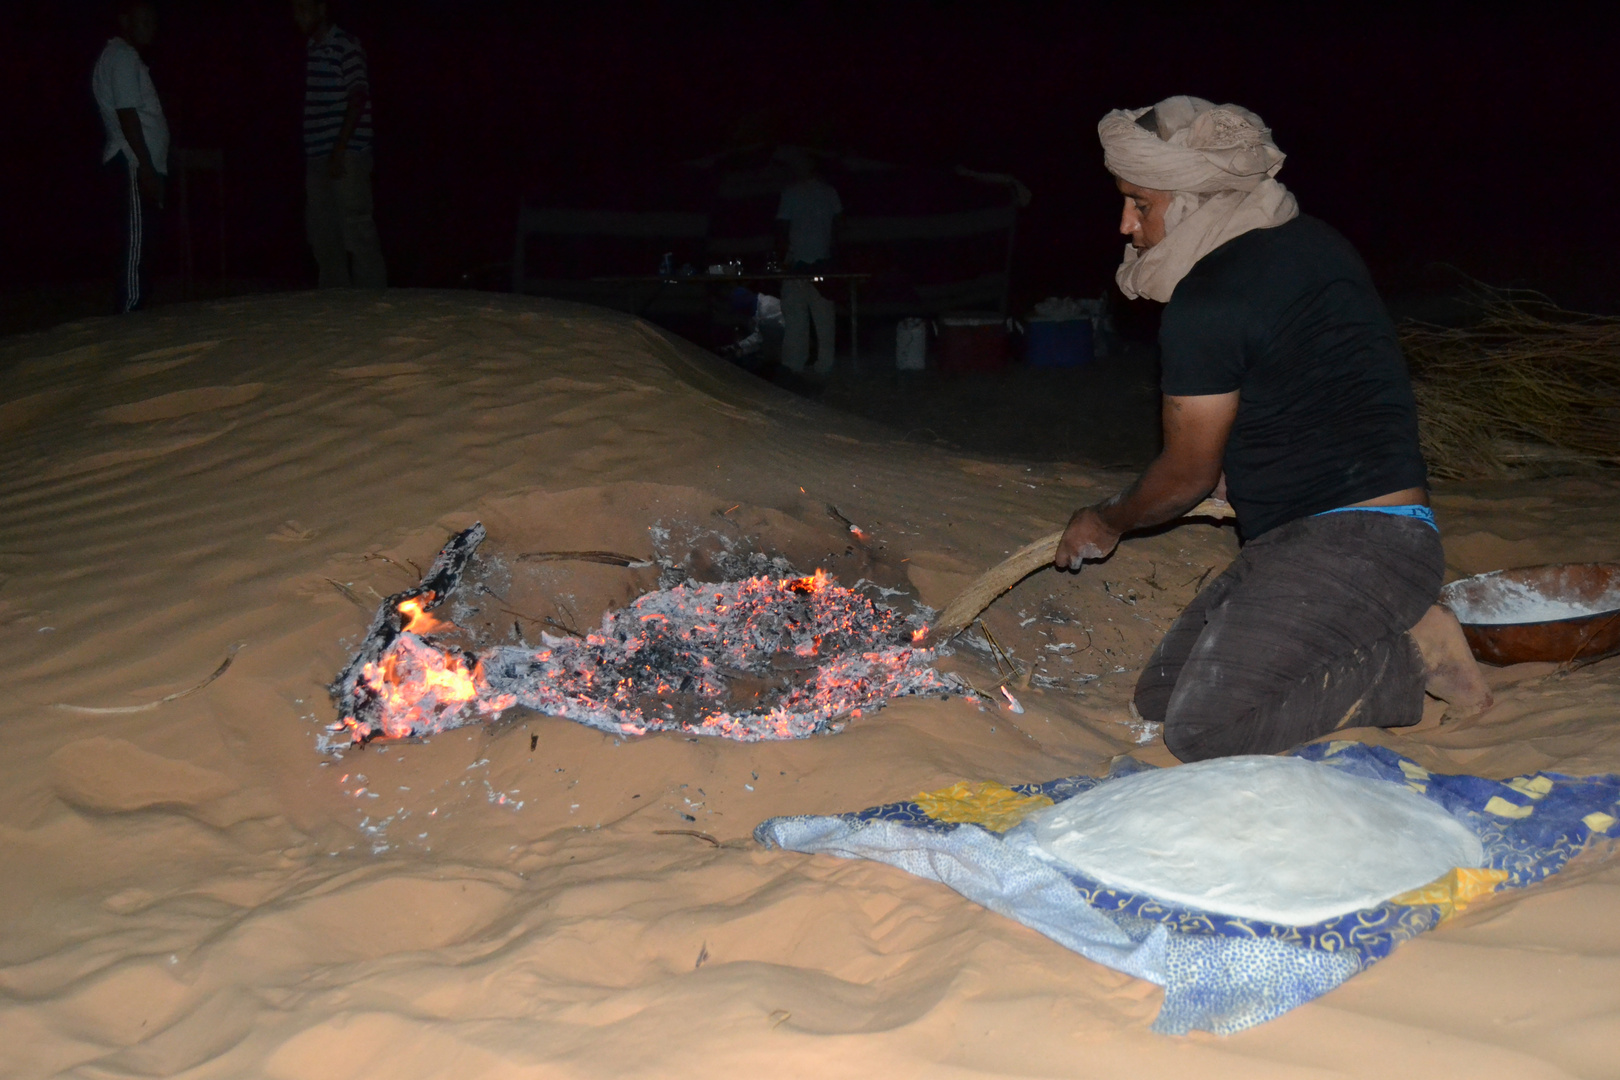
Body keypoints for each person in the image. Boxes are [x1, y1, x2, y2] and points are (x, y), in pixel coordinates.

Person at [1054, 96, 1491, 763]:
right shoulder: (1312, 241)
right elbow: (1310, 381)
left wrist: (1109, 519)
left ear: (1195, 200)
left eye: (1141, 204)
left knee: (1204, 731)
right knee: (1162, 698)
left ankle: (1413, 660)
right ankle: (1371, 637)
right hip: (1311, 540)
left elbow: (1185, 478)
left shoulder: (1210, 300)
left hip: (1360, 542)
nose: (1126, 223)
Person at [293, 0, 386, 288]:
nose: (298, 15)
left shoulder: (346, 44)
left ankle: (373, 305)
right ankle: (335, 310)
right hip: (317, 154)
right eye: (295, 9)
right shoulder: (310, 50)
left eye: (304, 8)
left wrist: (340, 148)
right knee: (323, 235)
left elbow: (358, 97)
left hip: (347, 154)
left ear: (321, 9)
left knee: (357, 230)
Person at [92, 0, 168, 313]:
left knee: (142, 244)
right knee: (136, 247)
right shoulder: (122, 55)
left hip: (135, 163)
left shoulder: (124, 57)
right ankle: (129, 315)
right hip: (133, 162)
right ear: (125, 21)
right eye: (144, 20)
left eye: (153, 20)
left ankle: (134, 311)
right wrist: (146, 168)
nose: (151, 26)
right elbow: (127, 116)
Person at [774, 150, 842, 374]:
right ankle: (824, 364)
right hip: (818, 263)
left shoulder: (792, 192)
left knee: (796, 320)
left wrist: (784, 260)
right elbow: (836, 230)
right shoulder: (829, 192)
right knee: (823, 319)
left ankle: (794, 366)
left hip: (798, 264)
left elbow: (783, 230)